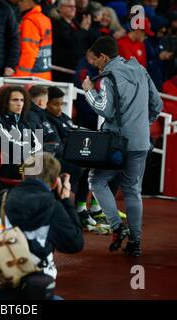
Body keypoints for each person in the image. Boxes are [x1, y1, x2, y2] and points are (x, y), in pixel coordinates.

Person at [82, 36, 163, 256]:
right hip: (140, 141)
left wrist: (89, 90)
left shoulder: (108, 76)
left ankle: (117, 226)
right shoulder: (140, 70)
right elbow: (157, 104)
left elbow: (104, 109)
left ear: (104, 57)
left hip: (116, 144)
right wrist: (142, 125)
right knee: (132, 191)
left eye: (96, 60)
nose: (94, 64)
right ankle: (135, 243)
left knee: (97, 180)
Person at [0, 152, 84, 300]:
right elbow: (75, 243)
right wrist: (66, 200)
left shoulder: (3, 198)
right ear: (55, 183)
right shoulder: (51, 206)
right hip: (20, 292)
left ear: (23, 177)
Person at [0, 85, 42, 180]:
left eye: (22, 100)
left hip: (25, 162)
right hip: (8, 165)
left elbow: (38, 145)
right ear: (5, 102)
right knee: (39, 172)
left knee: (54, 168)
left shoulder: (22, 121)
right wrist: (29, 151)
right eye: (15, 100)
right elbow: (7, 144)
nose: (19, 104)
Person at [13, 0, 52, 80]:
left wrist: (18, 80)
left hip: (32, 80)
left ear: (30, 2)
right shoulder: (45, 19)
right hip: (45, 76)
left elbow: (29, 53)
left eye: (22, 1)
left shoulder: (30, 22)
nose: (19, 3)